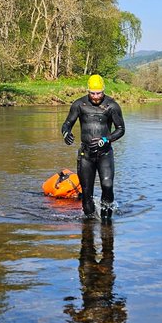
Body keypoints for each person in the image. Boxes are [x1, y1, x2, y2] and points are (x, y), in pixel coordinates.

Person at [61, 74, 125, 219]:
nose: (96, 97)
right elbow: (67, 124)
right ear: (88, 91)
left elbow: (121, 129)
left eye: (99, 93)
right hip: (86, 155)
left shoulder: (112, 106)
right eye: (93, 93)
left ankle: (106, 220)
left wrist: (107, 139)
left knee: (107, 186)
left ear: (103, 90)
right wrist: (66, 133)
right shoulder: (79, 105)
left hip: (105, 154)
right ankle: (88, 223)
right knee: (86, 191)